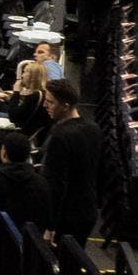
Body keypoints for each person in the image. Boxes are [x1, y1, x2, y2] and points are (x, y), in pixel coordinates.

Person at [37, 78, 104, 243]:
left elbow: (56, 185)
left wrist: (50, 225)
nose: (45, 105)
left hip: (66, 218)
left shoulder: (60, 137)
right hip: (88, 211)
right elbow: (100, 171)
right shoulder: (94, 129)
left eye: (50, 102)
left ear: (65, 106)